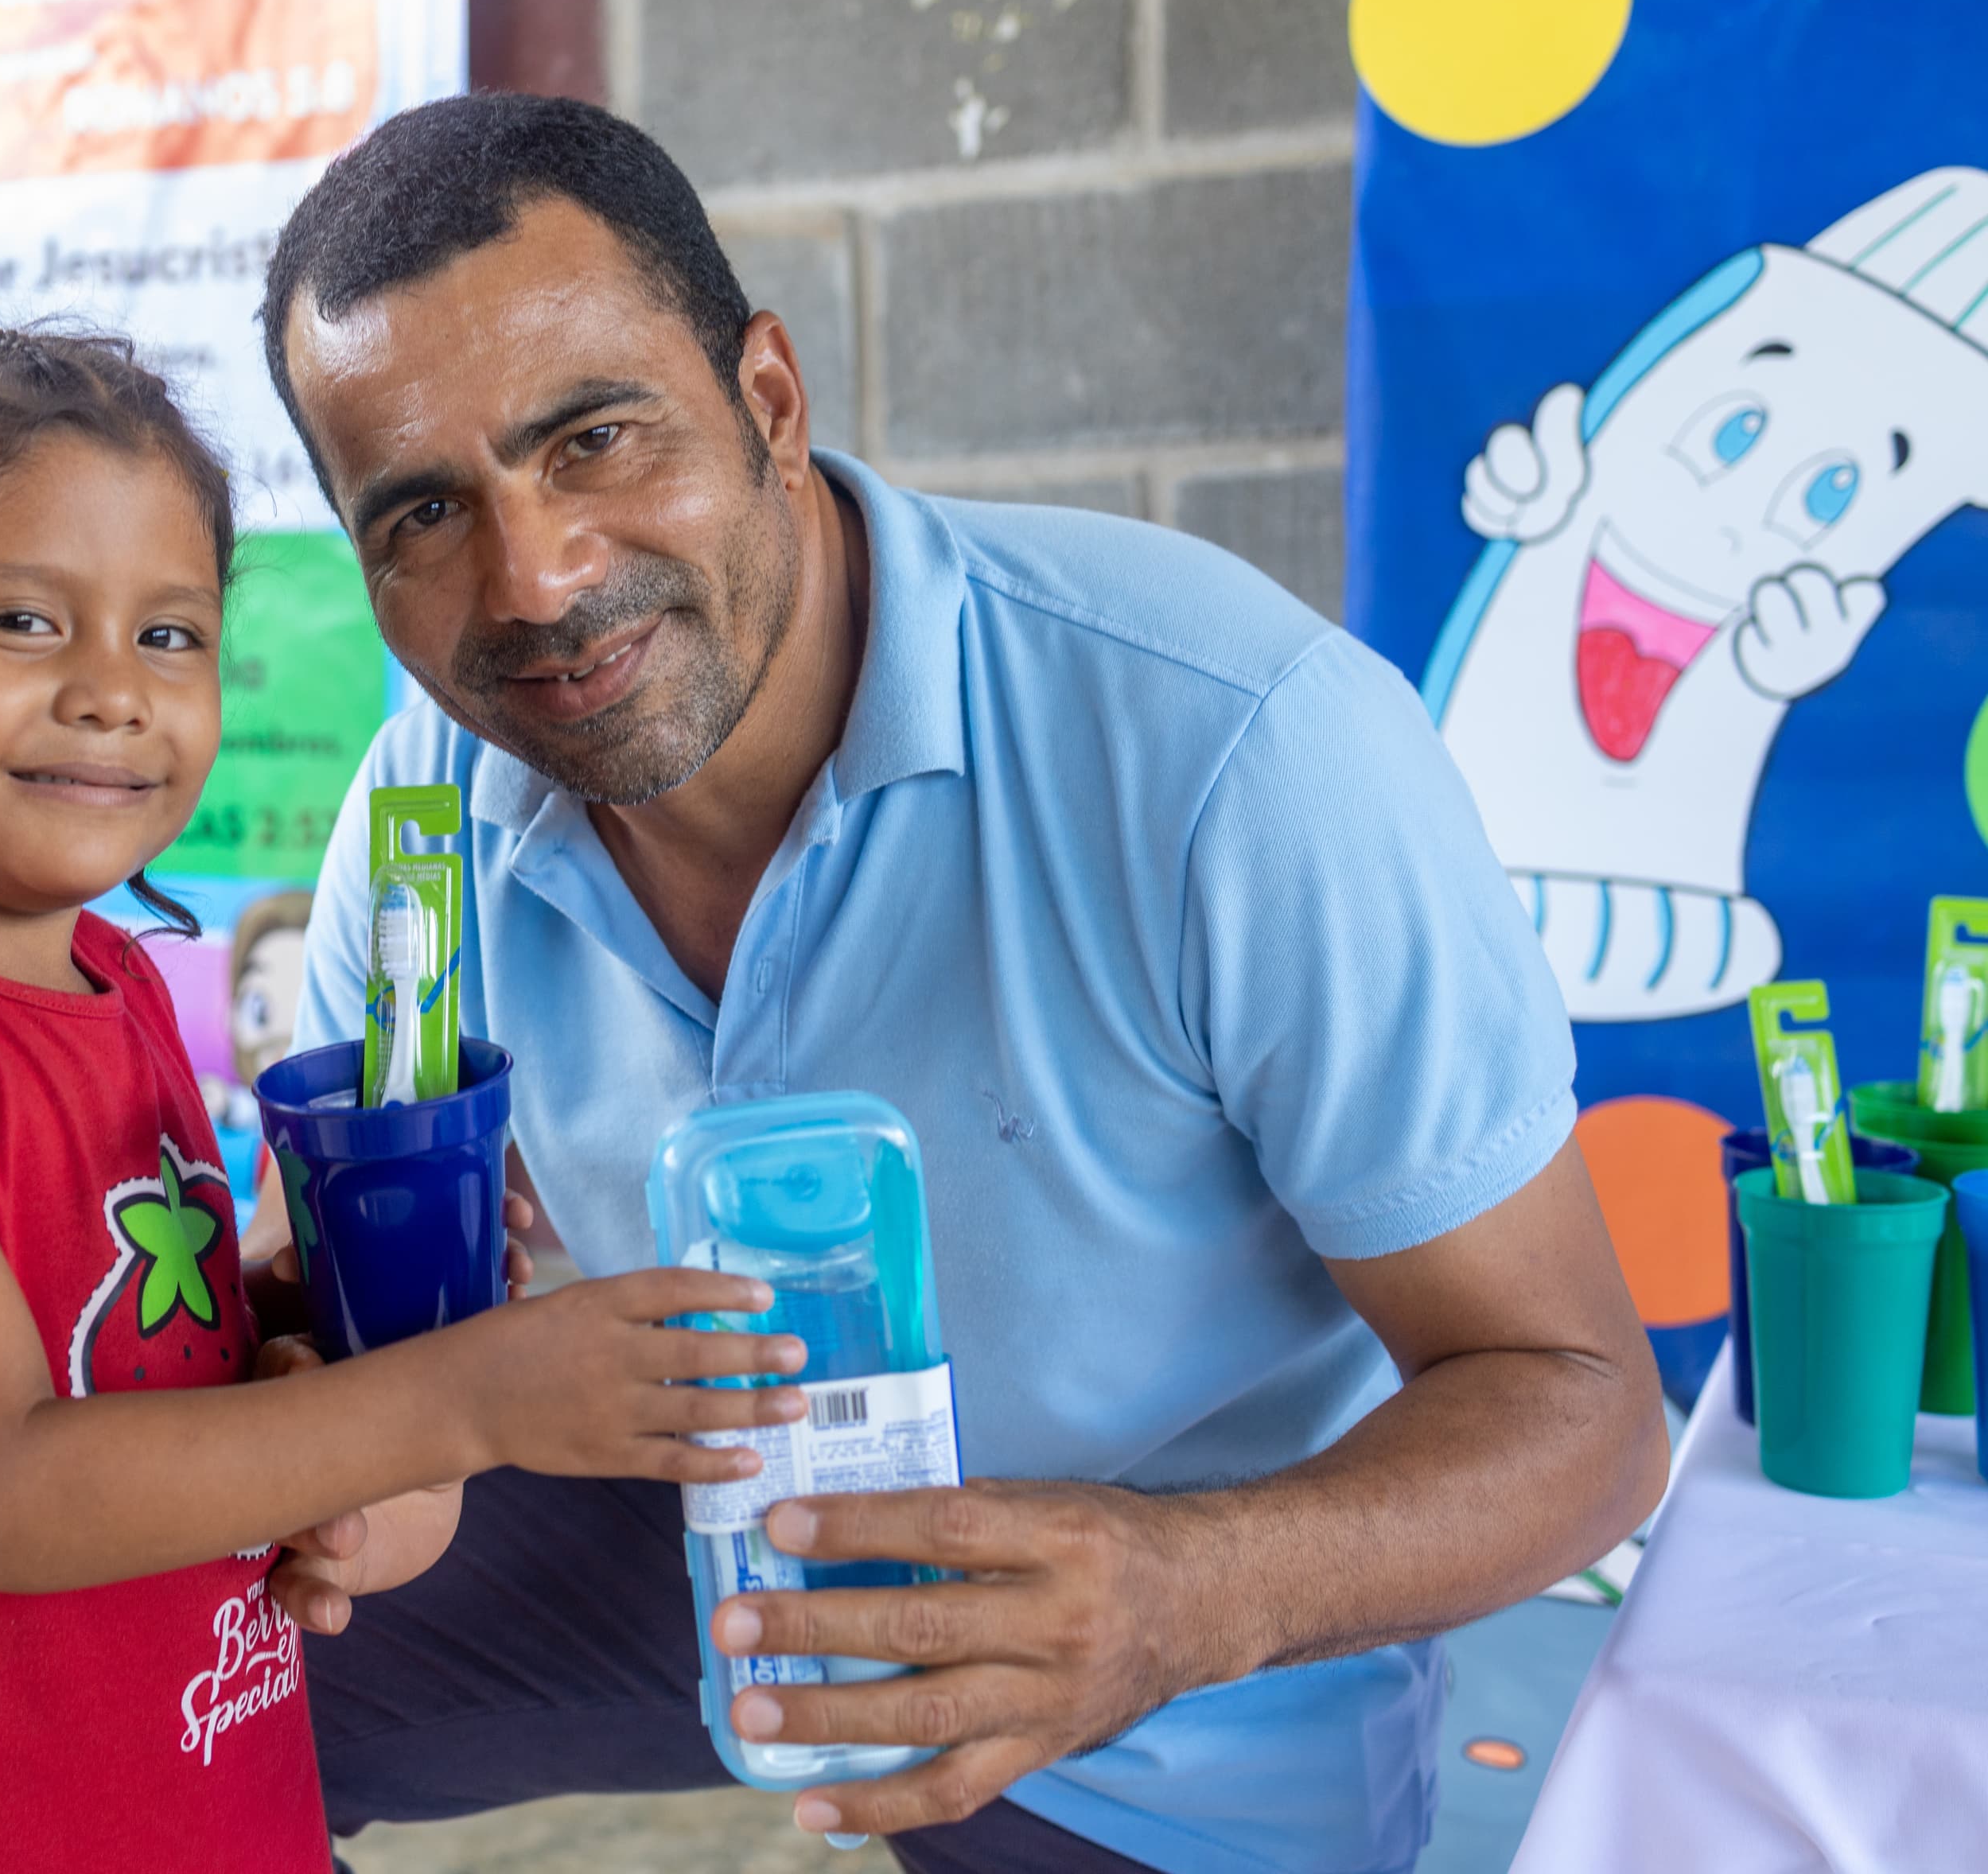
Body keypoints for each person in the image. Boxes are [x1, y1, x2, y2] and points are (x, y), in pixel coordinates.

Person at [251, 96, 1671, 1873]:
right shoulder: (422, 820)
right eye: (425, 512)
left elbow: (1583, 1406)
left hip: (1162, 1698)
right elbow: (395, 1320)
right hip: (681, 1510)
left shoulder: (1229, 744)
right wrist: (336, 1385)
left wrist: (1182, 1591)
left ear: (770, 398)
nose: (535, 579)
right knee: (145, 1672)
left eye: (597, 437)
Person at [0, 316, 814, 1874]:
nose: (113, 691)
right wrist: (470, 1392)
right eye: (22, 620)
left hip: (211, 1802)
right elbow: (6, 1484)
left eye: (170, 634)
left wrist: (288, 1310)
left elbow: (96, 1324)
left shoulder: (113, 980)